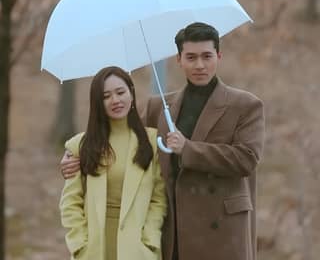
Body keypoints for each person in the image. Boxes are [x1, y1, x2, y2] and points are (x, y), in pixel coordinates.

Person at [61, 22, 265, 260]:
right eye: (191, 57)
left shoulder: (245, 105)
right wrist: (72, 153)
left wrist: (189, 149)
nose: (199, 65)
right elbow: (121, 135)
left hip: (221, 229)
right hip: (175, 230)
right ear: (179, 60)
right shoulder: (160, 106)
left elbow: (247, 159)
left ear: (218, 56)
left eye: (206, 56)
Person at [59, 66, 167, 260]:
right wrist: (79, 245)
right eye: (106, 96)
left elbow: (158, 199)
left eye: (120, 92)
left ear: (131, 94)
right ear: (98, 103)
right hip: (94, 249)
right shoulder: (81, 146)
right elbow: (70, 202)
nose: (115, 100)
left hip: (138, 249)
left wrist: (150, 241)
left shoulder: (151, 142)